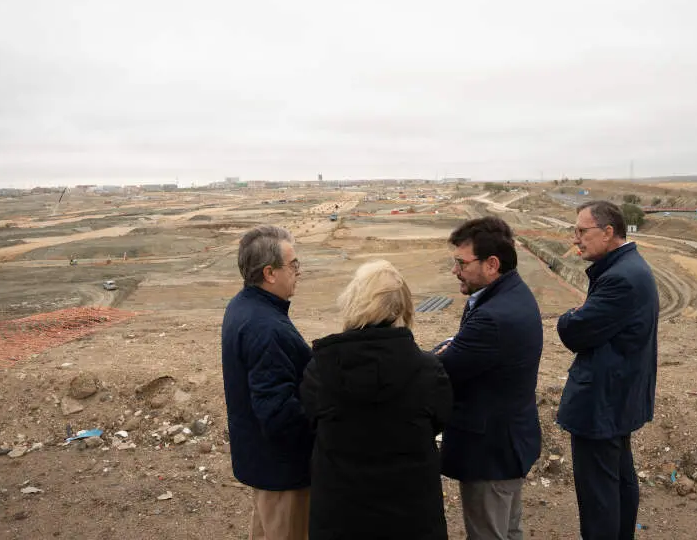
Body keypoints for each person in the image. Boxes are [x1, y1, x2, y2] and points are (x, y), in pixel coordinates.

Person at [301, 260, 452, 540]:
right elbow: (439, 420)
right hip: (412, 517)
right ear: (404, 307)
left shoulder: (320, 369)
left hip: (340, 516)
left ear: (353, 302)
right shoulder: (429, 371)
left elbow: (311, 421)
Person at [556, 201, 659, 540]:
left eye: (581, 231)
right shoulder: (628, 268)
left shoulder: (619, 279)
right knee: (617, 481)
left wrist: (570, 316)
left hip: (602, 402)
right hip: (616, 397)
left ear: (608, 232)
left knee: (599, 496)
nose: (576, 239)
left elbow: (574, 332)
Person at [436, 216, 543, 540]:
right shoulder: (510, 294)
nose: (455, 270)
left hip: (490, 452)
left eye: (461, 263)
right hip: (508, 442)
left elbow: (443, 369)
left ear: (492, 264)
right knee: (508, 531)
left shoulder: (493, 317)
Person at [221, 225, 312, 540]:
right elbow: (278, 413)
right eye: (293, 264)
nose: (299, 271)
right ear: (270, 273)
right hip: (283, 471)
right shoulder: (266, 328)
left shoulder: (244, 306)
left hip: (265, 464)